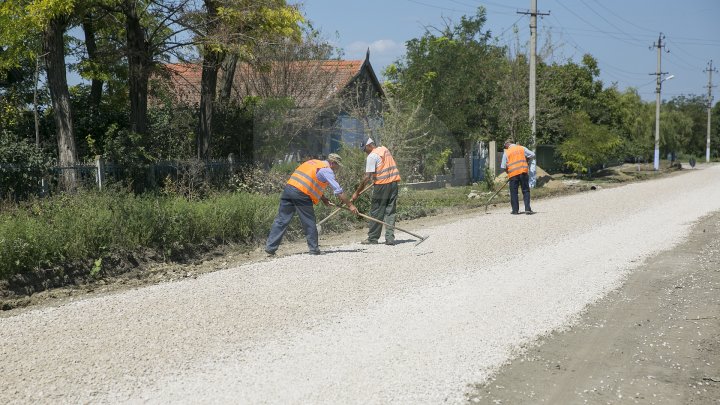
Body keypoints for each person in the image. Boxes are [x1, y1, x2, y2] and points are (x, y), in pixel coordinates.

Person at [265, 153, 358, 256]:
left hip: (289, 189)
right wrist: (350, 205)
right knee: (309, 221)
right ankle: (314, 249)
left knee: (282, 219)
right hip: (302, 194)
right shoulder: (327, 170)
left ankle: (270, 247)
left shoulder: (314, 162)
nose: (337, 168)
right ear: (332, 163)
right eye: (337, 166)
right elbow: (338, 191)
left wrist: (324, 199)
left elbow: (311, 180)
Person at [352, 138, 401, 245]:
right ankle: (389, 238)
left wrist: (356, 192)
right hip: (393, 184)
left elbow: (367, 177)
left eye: (365, 149)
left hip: (381, 186)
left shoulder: (372, 156)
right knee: (390, 211)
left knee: (376, 212)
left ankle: (372, 238)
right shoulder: (384, 149)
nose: (365, 152)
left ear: (369, 145)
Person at [501, 138, 536, 215]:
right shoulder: (522, 148)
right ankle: (527, 209)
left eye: (505, 146)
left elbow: (503, 166)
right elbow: (533, 154)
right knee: (525, 191)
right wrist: (527, 158)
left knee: (514, 192)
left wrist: (508, 173)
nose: (505, 148)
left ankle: (515, 211)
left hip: (513, 175)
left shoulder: (506, 152)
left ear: (507, 144)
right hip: (523, 172)